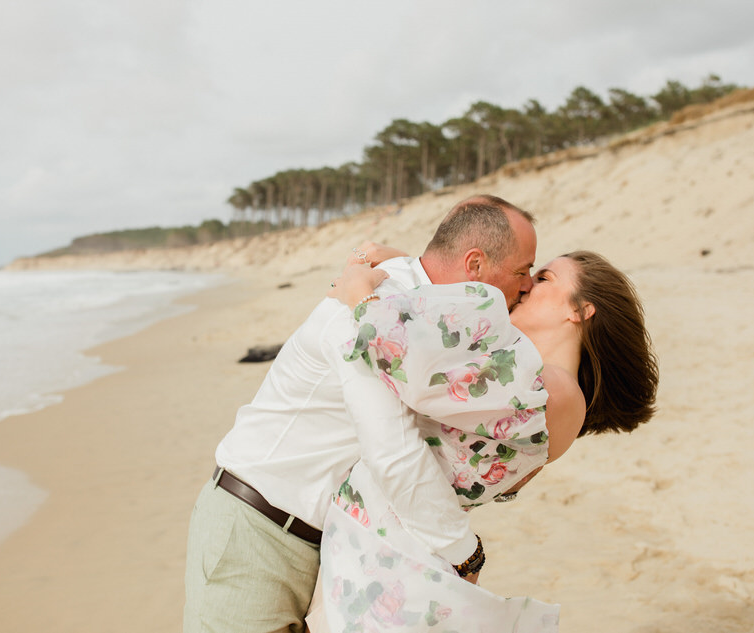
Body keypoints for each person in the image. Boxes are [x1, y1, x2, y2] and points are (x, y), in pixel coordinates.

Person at [183, 195, 538, 633]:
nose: (528, 287)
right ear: (476, 265)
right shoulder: (371, 307)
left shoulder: (425, 310)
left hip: (316, 541)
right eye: (523, 271)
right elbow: (393, 448)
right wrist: (465, 553)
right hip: (256, 530)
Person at [304, 247, 659, 631]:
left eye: (543, 279)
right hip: (389, 549)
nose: (524, 287)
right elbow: (444, 349)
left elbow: (409, 365)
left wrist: (363, 297)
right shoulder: (536, 380)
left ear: (580, 311)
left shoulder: (552, 390)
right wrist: (413, 263)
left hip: (390, 559)